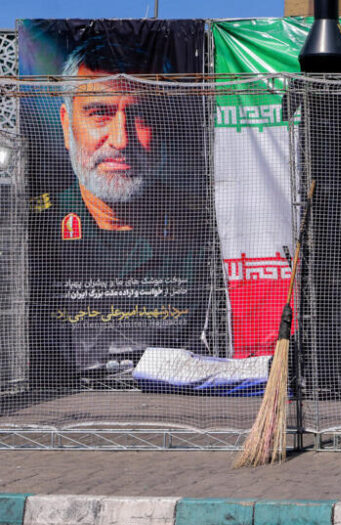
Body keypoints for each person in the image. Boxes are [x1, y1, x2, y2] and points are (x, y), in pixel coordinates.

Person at [29, 36, 212, 380]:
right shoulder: (35, 231)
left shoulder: (202, 232)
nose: (121, 139)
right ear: (67, 125)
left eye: (139, 114)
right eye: (99, 113)